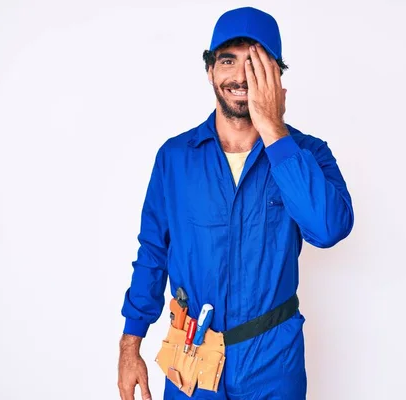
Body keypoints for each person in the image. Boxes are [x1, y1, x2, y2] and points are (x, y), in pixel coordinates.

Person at [117, 6, 354, 400]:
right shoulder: (175, 158)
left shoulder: (309, 154)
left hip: (272, 363)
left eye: (256, 64)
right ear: (210, 71)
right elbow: (152, 255)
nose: (240, 76)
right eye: (228, 60)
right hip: (189, 358)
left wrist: (275, 132)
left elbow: (328, 230)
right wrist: (130, 346)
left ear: (276, 77)